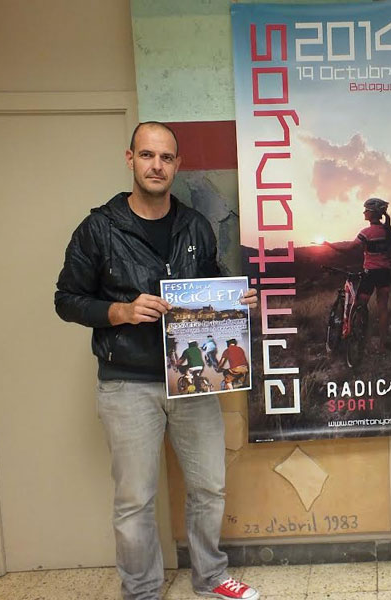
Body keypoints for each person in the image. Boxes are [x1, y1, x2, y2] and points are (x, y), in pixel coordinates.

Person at [54, 122, 259, 600]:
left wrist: (235, 302)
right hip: (127, 383)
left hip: (192, 383)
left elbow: (209, 286)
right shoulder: (99, 229)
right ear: (130, 159)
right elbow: (65, 300)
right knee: (134, 501)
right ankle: (142, 592)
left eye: (166, 158)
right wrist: (120, 312)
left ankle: (210, 577)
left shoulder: (195, 226)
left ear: (177, 165)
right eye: (147, 155)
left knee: (209, 487)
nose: (156, 166)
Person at [325, 197, 391, 350]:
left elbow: (348, 248)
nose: (364, 212)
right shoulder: (387, 230)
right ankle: (382, 345)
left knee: (358, 305)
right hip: (385, 273)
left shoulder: (366, 232)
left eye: (366, 210)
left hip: (370, 274)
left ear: (372, 213)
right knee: (383, 309)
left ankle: (356, 337)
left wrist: (329, 245)